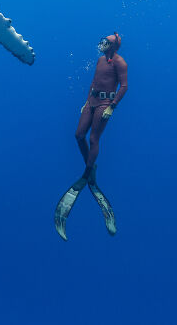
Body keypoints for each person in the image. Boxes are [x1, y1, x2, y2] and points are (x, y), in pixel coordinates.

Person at [54, 32, 128, 241]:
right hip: (92, 101)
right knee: (78, 135)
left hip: (106, 103)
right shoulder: (100, 60)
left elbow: (124, 86)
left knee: (94, 139)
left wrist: (112, 107)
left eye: (104, 42)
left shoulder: (120, 63)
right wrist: (87, 101)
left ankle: (86, 174)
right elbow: (94, 81)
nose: (101, 44)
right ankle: (91, 169)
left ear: (112, 46)